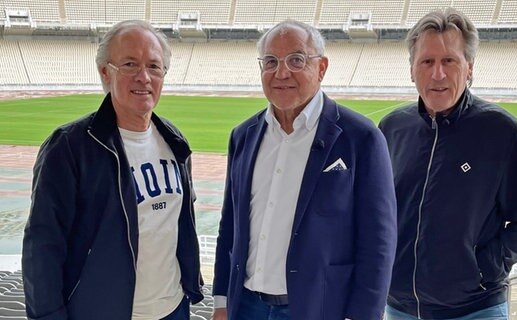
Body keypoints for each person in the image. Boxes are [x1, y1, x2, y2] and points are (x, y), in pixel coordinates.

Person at [211, 19, 397, 320]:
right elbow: (229, 225)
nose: (281, 72)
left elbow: (378, 241)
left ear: (321, 67)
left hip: (318, 307)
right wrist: (221, 300)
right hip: (245, 306)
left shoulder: (360, 138)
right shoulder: (243, 135)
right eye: (270, 61)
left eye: (296, 60)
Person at [22, 20, 203, 320]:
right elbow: (42, 245)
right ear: (106, 72)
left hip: (173, 309)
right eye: (130, 64)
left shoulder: (174, 141)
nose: (144, 77)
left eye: (154, 67)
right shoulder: (68, 147)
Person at [378, 8, 517, 320]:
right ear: (411, 69)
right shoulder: (391, 128)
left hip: (475, 310)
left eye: (449, 61)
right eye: (427, 62)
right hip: (400, 308)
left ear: (468, 67)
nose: (438, 74)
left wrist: (482, 269)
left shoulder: (502, 132)